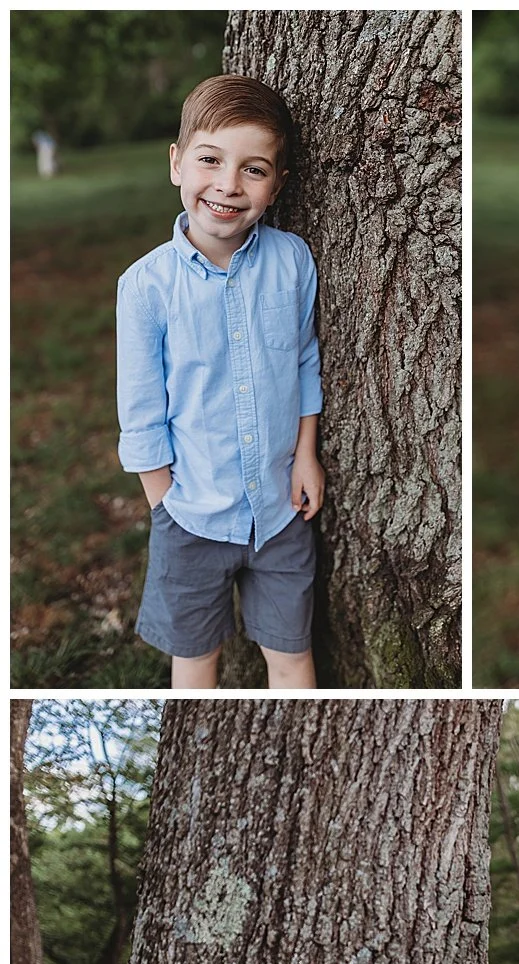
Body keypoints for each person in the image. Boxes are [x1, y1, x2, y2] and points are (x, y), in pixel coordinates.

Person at [116, 75, 324, 690]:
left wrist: (305, 454)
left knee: (291, 656)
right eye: (210, 160)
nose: (228, 185)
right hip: (189, 516)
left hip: (279, 514)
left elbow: (304, 358)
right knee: (195, 661)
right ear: (177, 163)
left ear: (276, 184)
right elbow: (140, 410)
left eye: (253, 169)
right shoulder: (147, 286)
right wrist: (165, 503)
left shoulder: (292, 260)